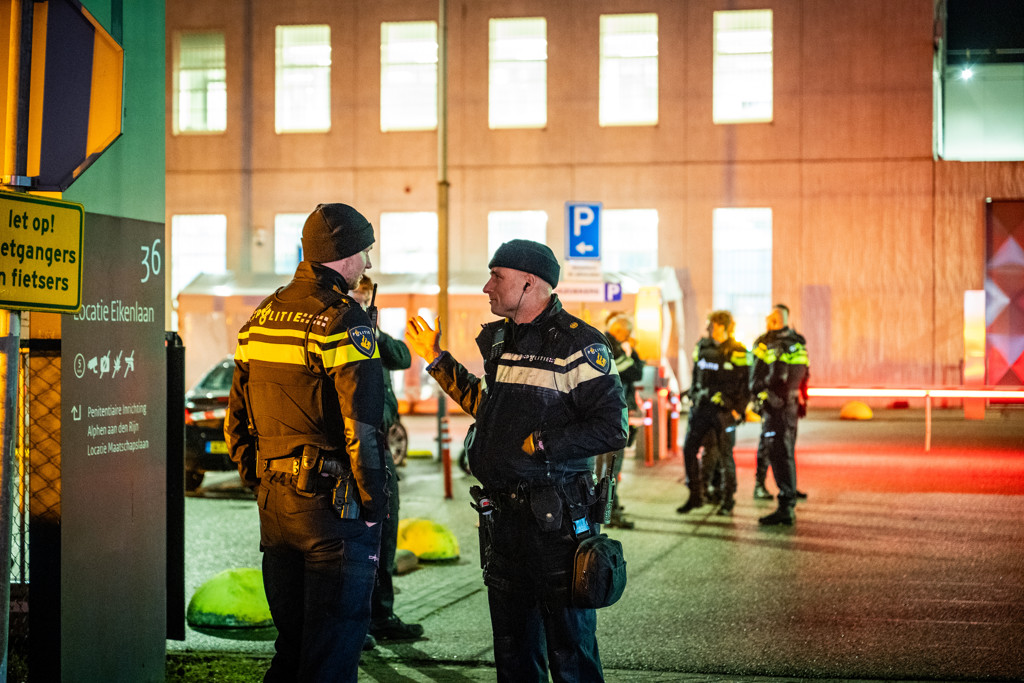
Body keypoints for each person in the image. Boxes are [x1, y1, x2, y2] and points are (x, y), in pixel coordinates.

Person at [405, 239, 627, 683]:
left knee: (570, 651)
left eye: (497, 277)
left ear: (529, 283)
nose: (487, 287)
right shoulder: (504, 340)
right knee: (512, 650)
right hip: (504, 521)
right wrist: (437, 358)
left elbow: (612, 428)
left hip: (558, 522)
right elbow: (488, 409)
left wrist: (543, 444)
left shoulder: (580, 343)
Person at [225, 203, 389, 682]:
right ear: (343, 255)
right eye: (364, 252)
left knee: (291, 650)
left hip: (276, 506)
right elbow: (363, 429)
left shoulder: (263, 315)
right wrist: (374, 505)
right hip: (333, 513)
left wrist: (258, 479)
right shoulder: (344, 321)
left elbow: (237, 418)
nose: (368, 265)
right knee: (331, 657)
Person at [350, 275, 424, 644]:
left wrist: (374, 331)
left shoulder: (372, 335)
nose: (361, 301)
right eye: (357, 294)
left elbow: (403, 357)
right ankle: (357, 621)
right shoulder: (340, 331)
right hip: (354, 447)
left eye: (366, 296)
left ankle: (382, 613)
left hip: (379, 443)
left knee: (386, 534)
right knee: (356, 537)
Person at [676, 310, 750, 516]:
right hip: (701, 408)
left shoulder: (738, 351)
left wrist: (739, 409)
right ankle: (695, 496)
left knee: (726, 456)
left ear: (724, 327)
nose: (708, 328)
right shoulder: (702, 346)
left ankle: (728, 499)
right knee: (689, 450)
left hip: (724, 412)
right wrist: (691, 392)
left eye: (713, 325)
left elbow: (746, 384)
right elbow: (697, 374)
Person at [749, 303, 810, 526]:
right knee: (775, 448)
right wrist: (762, 394)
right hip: (778, 405)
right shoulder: (766, 343)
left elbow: (802, 370)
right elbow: (755, 374)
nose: (771, 320)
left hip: (786, 405)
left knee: (783, 450)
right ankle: (770, 487)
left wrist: (802, 395)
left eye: (775, 317)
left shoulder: (795, 341)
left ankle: (787, 498)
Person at [595, 312, 645, 530]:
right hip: (612, 416)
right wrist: (632, 350)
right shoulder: (612, 346)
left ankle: (603, 507)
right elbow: (635, 372)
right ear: (621, 331)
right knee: (612, 466)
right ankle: (609, 512)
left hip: (600, 414)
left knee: (601, 467)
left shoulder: (598, 342)